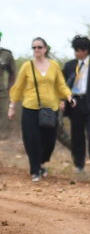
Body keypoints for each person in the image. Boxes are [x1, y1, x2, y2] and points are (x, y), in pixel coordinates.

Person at [8, 37, 73, 181]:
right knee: (33, 140)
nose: (36, 50)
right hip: (30, 108)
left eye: (39, 47)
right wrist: (12, 106)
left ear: (45, 49)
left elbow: (61, 85)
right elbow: (18, 87)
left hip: (50, 108)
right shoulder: (27, 66)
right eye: (34, 48)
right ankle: (35, 170)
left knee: (49, 141)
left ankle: (42, 163)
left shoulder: (54, 66)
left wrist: (68, 96)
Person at [64, 35, 90, 173]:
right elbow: (63, 86)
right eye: (75, 49)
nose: (76, 52)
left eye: (79, 50)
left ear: (86, 50)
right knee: (77, 136)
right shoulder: (69, 66)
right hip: (75, 104)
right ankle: (79, 165)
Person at [0, 31, 16, 138]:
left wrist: (10, 89)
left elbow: (12, 73)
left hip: (1, 92)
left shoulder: (6, 54)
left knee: (1, 116)